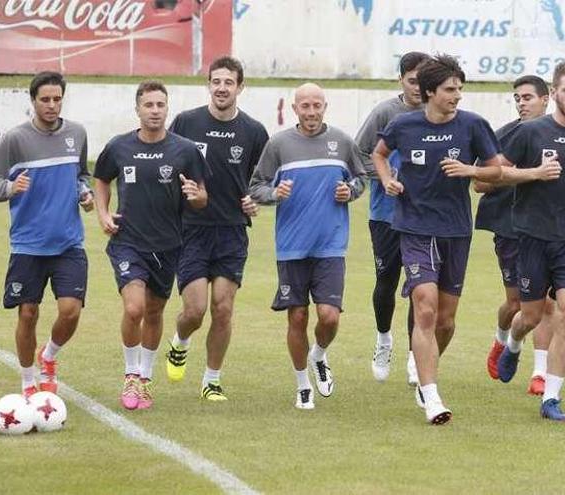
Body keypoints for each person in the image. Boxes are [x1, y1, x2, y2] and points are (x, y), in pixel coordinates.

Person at [460, 61, 565, 421]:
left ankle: (551, 397)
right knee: (528, 315)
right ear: (555, 93)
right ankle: (513, 343)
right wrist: (535, 174)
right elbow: (495, 173)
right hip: (531, 236)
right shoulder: (530, 133)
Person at [373, 55, 503, 425]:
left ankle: (423, 364)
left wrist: (471, 170)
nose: (457, 95)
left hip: (456, 230)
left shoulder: (474, 125)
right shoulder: (403, 125)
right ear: (430, 92)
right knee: (425, 305)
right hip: (414, 226)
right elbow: (379, 155)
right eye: (450, 89)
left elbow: (496, 170)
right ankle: (432, 397)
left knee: (444, 321)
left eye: (460, 88)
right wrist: (387, 180)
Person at [249, 83, 367, 410]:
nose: (311, 112)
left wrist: (350, 191)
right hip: (291, 247)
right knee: (297, 316)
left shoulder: (342, 142)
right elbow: (256, 186)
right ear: (294, 108)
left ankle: (319, 354)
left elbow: (361, 178)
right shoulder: (278, 145)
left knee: (328, 317)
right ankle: (302, 384)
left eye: (317, 105)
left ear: (325, 106)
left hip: (331, 245)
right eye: (305, 106)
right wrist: (275, 194)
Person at [93, 80, 208, 411]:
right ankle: (130, 374)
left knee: (155, 310)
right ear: (138, 109)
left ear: (166, 109)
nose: (155, 111)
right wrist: (103, 213)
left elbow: (202, 197)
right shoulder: (119, 147)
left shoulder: (185, 150)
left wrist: (196, 196)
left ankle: (145, 379)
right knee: (134, 308)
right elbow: (101, 178)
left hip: (169, 244)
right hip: (128, 241)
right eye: (149, 105)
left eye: (160, 105)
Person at [0, 71, 92, 398]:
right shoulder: (15, 139)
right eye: (45, 99)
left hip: (69, 242)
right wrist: (10, 188)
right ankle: (29, 382)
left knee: (70, 310)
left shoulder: (77, 133)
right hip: (28, 245)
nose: (52, 105)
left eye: (57, 99)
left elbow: (81, 175)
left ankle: (49, 357)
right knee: (27, 313)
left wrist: (83, 193)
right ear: (33, 101)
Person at [163, 56, 269, 402]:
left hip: (232, 231)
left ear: (241, 87)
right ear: (208, 84)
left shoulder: (254, 132)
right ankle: (179, 342)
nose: (222, 88)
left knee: (223, 308)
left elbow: (261, 181)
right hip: (191, 230)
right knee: (194, 311)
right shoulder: (186, 123)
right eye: (216, 81)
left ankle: (212, 380)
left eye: (229, 82)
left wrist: (255, 199)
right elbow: (169, 165)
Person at [475, 75, 559, 396]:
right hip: (510, 229)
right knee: (515, 304)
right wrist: (525, 175)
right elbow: (480, 183)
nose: (522, 103)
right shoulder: (504, 136)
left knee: (546, 304)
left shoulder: (564, 135)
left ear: (545, 98)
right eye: (518, 99)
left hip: (549, 231)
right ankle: (502, 340)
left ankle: (539, 374)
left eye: (528, 97)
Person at [354, 51, 429, 385]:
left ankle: (416, 354)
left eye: (423, 81)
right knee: (386, 280)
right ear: (401, 79)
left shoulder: (437, 113)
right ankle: (384, 339)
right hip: (385, 215)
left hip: (426, 218)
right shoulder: (386, 112)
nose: (418, 87)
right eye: (412, 80)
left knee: (421, 286)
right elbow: (358, 152)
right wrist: (384, 176)